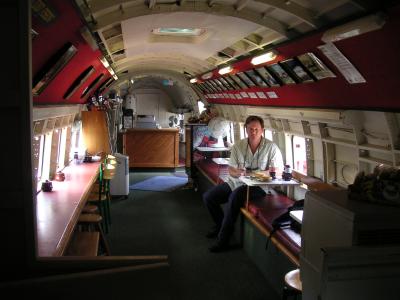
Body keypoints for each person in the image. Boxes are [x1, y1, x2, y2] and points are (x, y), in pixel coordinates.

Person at [203, 115, 284, 253]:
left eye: (256, 129)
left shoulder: (272, 148)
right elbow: (231, 169)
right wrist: (238, 173)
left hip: (258, 187)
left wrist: (256, 174)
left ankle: (223, 239)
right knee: (209, 197)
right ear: (246, 129)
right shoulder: (238, 146)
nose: (253, 132)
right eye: (250, 129)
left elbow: (277, 170)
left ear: (262, 130)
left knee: (234, 197)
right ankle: (220, 225)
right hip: (236, 182)